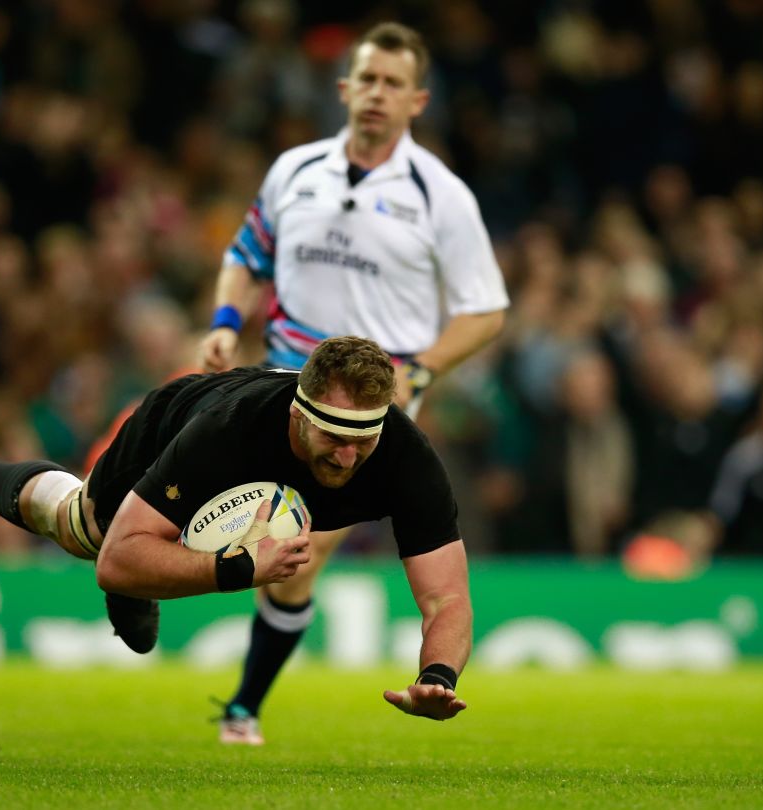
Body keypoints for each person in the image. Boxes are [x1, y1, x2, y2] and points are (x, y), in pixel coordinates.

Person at [198, 22, 506, 742]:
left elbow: (487, 309)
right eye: (367, 78)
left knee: (290, 557)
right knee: (196, 504)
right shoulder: (295, 170)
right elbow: (245, 255)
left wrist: (423, 369)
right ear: (344, 87)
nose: (377, 94)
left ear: (418, 100)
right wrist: (222, 319)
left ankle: (243, 706)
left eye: (393, 83)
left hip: (365, 417)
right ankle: (149, 604)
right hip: (275, 387)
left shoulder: (441, 195)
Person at [0, 336, 471, 726]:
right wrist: (237, 570)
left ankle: (143, 585)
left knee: (136, 559)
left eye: (362, 441)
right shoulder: (226, 434)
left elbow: (446, 597)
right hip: (173, 423)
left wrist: (438, 676)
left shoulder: (406, 458)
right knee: (85, 532)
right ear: (298, 415)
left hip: (236, 471)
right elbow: (115, 562)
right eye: (333, 437)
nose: (348, 458)